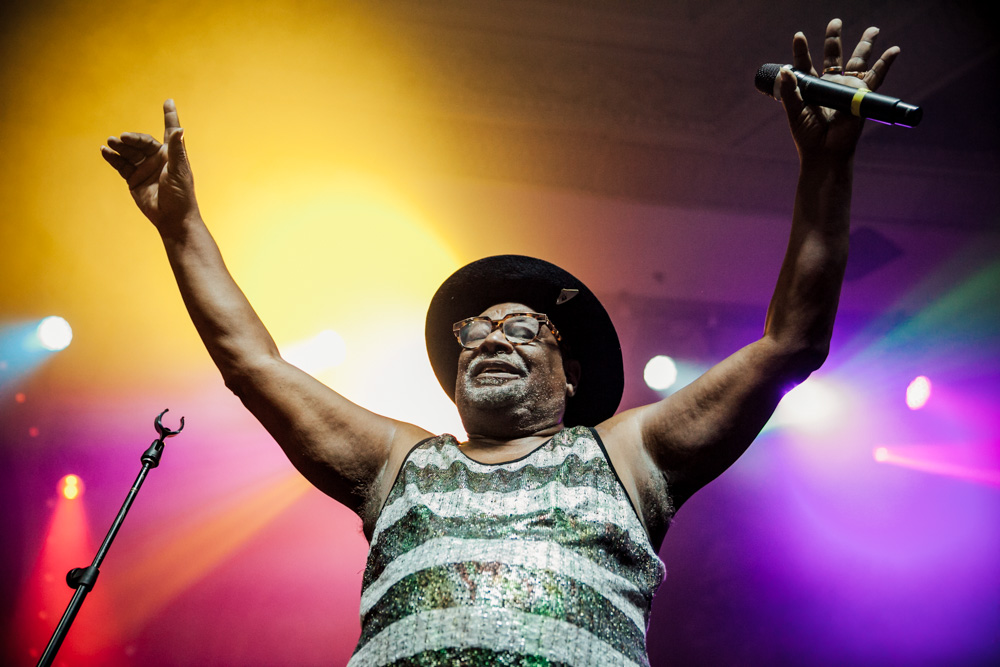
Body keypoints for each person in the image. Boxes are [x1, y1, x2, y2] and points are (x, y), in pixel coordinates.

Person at [101, 18, 900, 667]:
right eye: (473, 332)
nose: (490, 338)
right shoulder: (400, 465)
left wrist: (825, 169)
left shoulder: (627, 456)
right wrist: (181, 227)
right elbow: (254, 363)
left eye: (523, 327)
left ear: (570, 369)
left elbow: (790, 342)